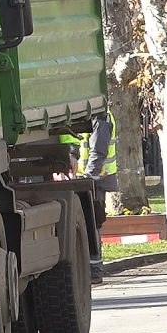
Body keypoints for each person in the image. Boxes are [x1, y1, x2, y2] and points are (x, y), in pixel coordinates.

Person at [64, 111, 117, 283]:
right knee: (90, 223)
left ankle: (95, 270)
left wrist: (89, 175)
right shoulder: (82, 113)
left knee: (92, 224)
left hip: (96, 179)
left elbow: (99, 149)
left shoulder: (101, 116)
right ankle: (92, 269)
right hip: (86, 178)